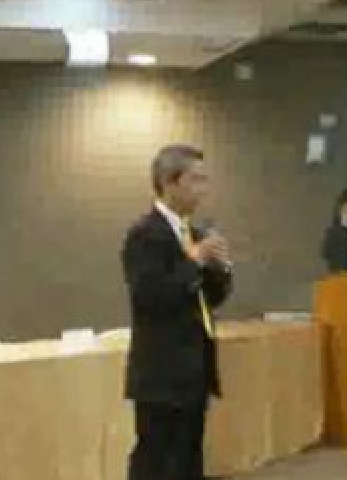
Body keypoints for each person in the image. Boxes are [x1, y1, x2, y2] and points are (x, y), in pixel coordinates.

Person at [121, 144, 233, 480]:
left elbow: (207, 299)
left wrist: (220, 269)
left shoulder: (193, 234)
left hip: (194, 368)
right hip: (161, 372)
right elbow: (149, 296)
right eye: (196, 180)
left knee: (188, 459)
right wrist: (194, 260)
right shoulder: (144, 235)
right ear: (170, 183)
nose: (204, 189)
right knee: (157, 461)